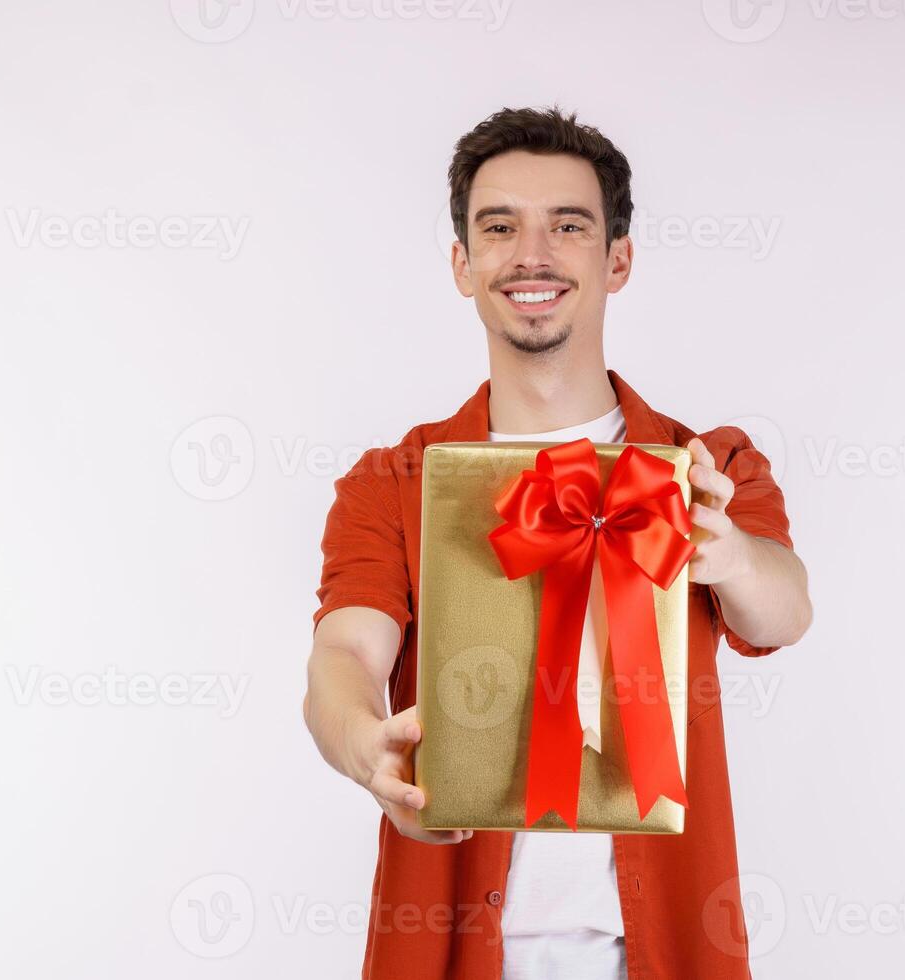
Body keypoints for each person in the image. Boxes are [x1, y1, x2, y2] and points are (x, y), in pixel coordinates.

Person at [304, 105, 813, 980]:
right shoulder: (395, 479)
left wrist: (727, 556)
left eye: (567, 226)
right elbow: (345, 649)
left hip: (665, 953)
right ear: (463, 264)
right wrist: (365, 747)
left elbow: (784, 609)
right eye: (498, 227)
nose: (530, 254)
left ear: (617, 259)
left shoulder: (705, 463)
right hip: (452, 951)